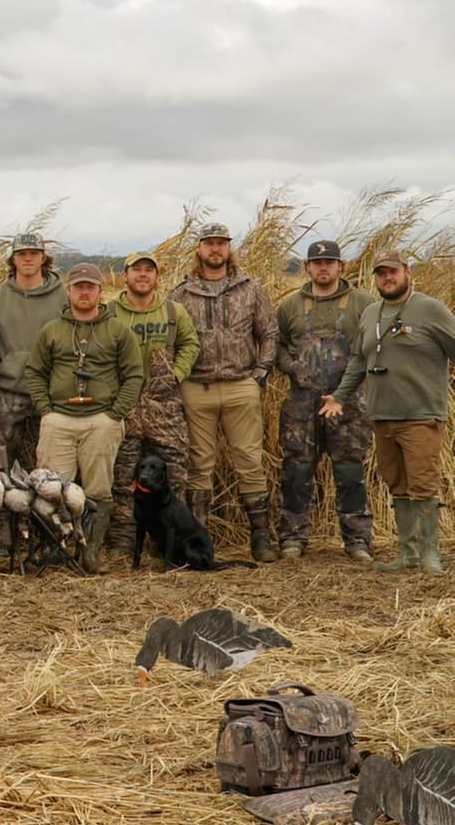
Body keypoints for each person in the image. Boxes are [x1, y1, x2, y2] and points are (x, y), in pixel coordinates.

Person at [324, 251, 455, 574]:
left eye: (393, 272)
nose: (387, 278)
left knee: (423, 484)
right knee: (397, 483)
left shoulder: (429, 309)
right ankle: (408, 554)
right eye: (381, 273)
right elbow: (358, 360)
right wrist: (339, 396)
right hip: (381, 416)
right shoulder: (371, 313)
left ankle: (429, 555)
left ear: (407, 272)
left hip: (421, 413)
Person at [169, 221, 280, 560]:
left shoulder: (250, 289)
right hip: (196, 388)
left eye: (221, 243)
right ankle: (199, 542)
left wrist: (259, 374)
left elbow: (270, 333)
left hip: (239, 386)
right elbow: (170, 342)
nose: (215, 249)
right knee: (200, 464)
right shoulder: (181, 293)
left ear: (229, 248)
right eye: (209, 243)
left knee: (249, 460)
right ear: (199, 249)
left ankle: (261, 538)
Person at [23, 263, 144, 572]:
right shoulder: (52, 330)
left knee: (98, 490)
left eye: (91, 286)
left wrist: (116, 413)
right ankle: (56, 547)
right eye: (79, 287)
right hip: (59, 420)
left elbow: (134, 375)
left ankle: (90, 553)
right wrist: (46, 409)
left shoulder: (117, 330)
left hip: (101, 421)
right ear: (69, 290)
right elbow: (35, 371)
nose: (85, 292)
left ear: (101, 291)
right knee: (52, 488)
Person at [275, 239, 375, 562]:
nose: (323, 268)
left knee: (349, 469)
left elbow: (375, 344)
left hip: (348, 401)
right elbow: (275, 346)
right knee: (297, 469)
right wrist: (292, 367)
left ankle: (357, 539)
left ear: (340, 266)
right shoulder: (290, 306)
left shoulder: (363, 303)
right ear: (307, 267)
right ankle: (293, 536)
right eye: (317, 263)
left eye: (329, 262)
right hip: (301, 402)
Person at [105, 251, 198, 561]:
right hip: (125, 401)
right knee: (124, 473)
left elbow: (190, 344)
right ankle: (122, 539)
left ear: (157, 277)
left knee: (175, 471)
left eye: (149, 270)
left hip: (164, 404)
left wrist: (177, 374)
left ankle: (169, 542)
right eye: (136, 270)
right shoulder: (110, 312)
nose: (142, 275)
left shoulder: (173, 311)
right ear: (125, 276)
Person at [0, 232, 67, 470]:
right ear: (13, 260)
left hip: (52, 387)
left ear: (43, 259)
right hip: (8, 388)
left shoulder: (63, 295)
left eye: (34, 254)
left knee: (56, 460)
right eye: (22, 254)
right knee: (0, 457)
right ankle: (2, 501)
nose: (27, 259)